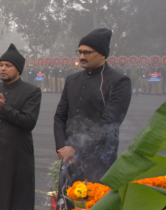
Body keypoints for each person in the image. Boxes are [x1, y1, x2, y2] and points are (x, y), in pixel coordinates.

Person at [54, 28, 132, 198]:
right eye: (80, 52)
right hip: (70, 159)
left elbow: (109, 124)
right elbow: (60, 116)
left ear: (103, 54)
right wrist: (62, 148)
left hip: (99, 161)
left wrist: (75, 148)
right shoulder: (72, 80)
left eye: (87, 53)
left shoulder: (119, 81)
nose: (82, 56)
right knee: (67, 206)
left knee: (93, 207)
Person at [0, 44, 42, 210]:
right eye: (1, 65)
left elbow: (28, 122)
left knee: (18, 203)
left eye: (8, 65)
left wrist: (2, 107)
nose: (3, 69)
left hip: (18, 155)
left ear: (18, 69)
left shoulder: (32, 91)